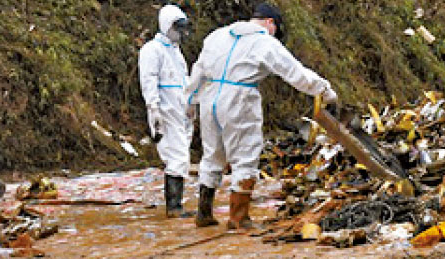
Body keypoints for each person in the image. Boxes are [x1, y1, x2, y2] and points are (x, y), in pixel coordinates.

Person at [184, 2, 338, 229]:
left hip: (210, 98)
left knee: (212, 155)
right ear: (270, 22)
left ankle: (204, 213)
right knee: (245, 156)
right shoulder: (264, 42)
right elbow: (295, 72)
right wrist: (324, 90)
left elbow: (198, 70)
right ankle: (239, 219)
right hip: (239, 98)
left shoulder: (217, 36)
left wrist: (190, 100)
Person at [139, 4, 194, 217]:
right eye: (177, 28)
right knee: (176, 156)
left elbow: (184, 80)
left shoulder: (175, 52)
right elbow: (148, 81)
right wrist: (154, 109)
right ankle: (174, 208)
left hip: (180, 111)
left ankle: (175, 205)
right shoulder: (152, 50)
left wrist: (191, 104)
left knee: (181, 156)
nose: (181, 34)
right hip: (165, 111)